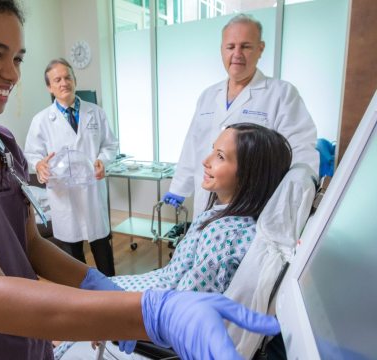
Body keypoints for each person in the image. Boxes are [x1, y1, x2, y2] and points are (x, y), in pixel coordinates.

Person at [0, 1, 281, 359]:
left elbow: (29, 244)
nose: (12, 73)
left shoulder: (0, 141)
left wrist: (101, 289)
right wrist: (149, 313)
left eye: (18, 58)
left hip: (30, 339)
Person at [57, 123, 292, 359]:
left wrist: (115, 319)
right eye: (212, 149)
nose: (206, 160)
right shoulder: (221, 216)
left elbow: (182, 312)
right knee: (80, 305)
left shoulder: (224, 235)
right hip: (158, 290)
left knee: (70, 321)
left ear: (250, 174)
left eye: (220, 156)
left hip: (156, 306)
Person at [163, 14, 319, 217]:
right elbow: (193, 146)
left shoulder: (282, 94)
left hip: (252, 206)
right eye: (230, 47)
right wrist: (179, 188)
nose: (237, 54)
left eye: (245, 46)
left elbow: (300, 152)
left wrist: (292, 203)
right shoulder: (208, 95)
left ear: (260, 49)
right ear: (221, 50)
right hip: (207, 201)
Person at [24, 59, 119, 276]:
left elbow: (110, 145)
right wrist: (39, 165)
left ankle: (113, 293)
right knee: (73, 253)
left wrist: (103, 161)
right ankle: (82, 296)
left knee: (102, 247)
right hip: (63, 193)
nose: (63, 83)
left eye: (67, 77)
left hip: (92, 189)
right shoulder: (41, 120)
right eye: (57, 79)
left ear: (75, 80)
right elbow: (31, 154)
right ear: (50, 87)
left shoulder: (95, 112)